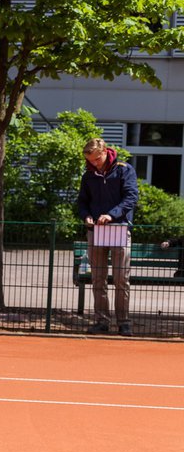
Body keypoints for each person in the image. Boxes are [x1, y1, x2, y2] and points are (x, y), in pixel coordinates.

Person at [77, 137, 139, 336]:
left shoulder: (124, 169)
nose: (93, 163)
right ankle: (101, 321)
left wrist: (111, 214)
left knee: (121, 278)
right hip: (96, 231)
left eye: (96, 159)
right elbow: (82, 201)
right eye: (90, 160)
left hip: (119, 228)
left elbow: (131, 197)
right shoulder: (88, 175)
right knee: (98, 278)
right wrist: (86, 215)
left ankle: (124, 322)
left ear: (105, 152)